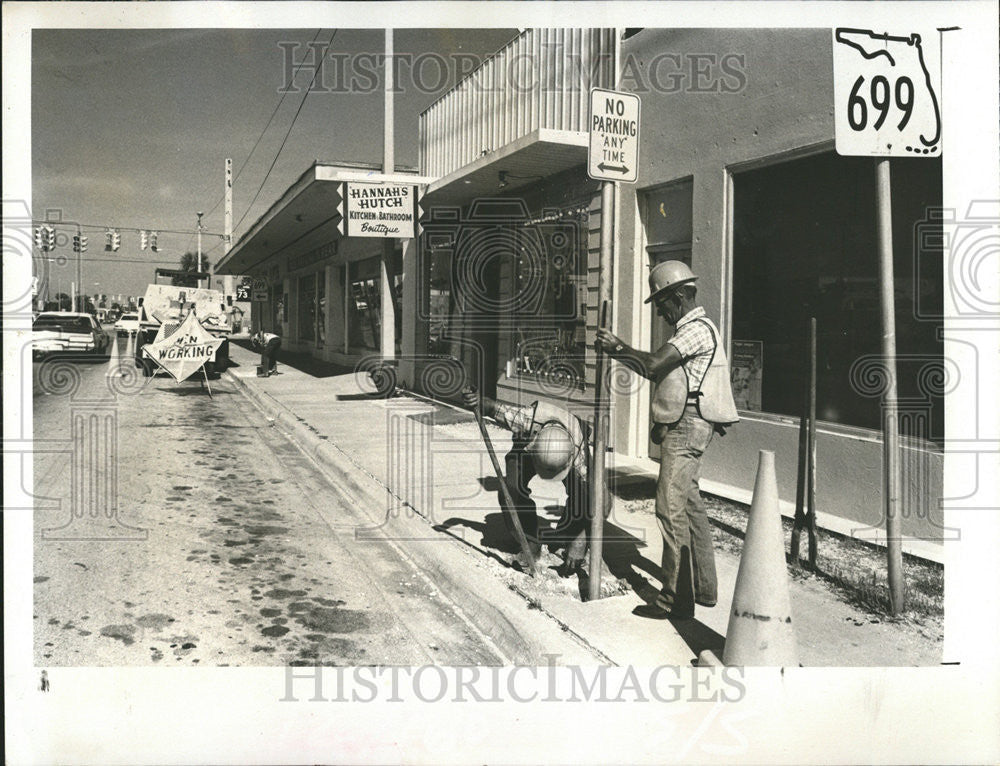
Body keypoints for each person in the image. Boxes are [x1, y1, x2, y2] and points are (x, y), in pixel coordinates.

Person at [597, 260, 738, 620]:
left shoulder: (694, 330)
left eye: (662, 304)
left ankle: (675, 599)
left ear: (678, 297)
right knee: (689, 506)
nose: (660, 312)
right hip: (689, 422)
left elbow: (655, 366)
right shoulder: (696, 329)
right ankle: (703, 589)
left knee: (669, 508)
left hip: (688, 425)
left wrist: (617, 348)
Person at [462, 390, 602, 572]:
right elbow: (490, 407)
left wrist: (580, 539)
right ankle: (529, 542)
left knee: (585, 496)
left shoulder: (579, 457)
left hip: (570, 447)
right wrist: (476, 400)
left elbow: (595, 499)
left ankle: (566, 535)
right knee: (510, 490)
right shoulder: (525, 419)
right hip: (527, 447)